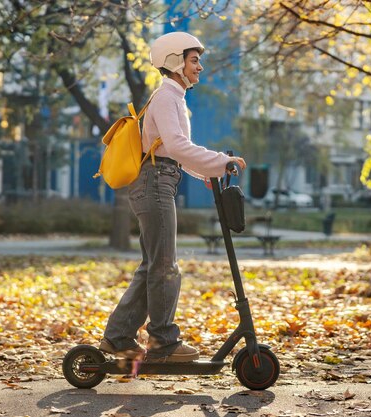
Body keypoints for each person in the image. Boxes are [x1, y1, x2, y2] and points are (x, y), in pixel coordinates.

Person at [100, 32, 246, 363]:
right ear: (175, 61)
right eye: (194, 60)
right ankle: (164, 342)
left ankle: (118, 337)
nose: (200, 67)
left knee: (154, 264)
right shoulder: (167, 98)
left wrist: (204, 173)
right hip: (154, 183)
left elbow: (171, 152)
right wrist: (221, 161)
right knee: (165, 265)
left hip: (158, 179)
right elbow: (177, 147)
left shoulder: (174, 97)